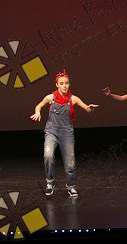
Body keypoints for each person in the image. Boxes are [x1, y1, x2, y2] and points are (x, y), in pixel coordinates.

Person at [31, 69, 99, 197]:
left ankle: (71, 186)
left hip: (66, 133)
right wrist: (37, 112)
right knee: (48, 156)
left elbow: (87, 109)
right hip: (51, 131)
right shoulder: (50, 97)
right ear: (57, 84)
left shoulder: (73, 99)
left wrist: (90, 109)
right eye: (61, 83)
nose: (64, 86)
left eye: (66, 83)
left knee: (70, 161)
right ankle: (50, 182)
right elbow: (38, 106)